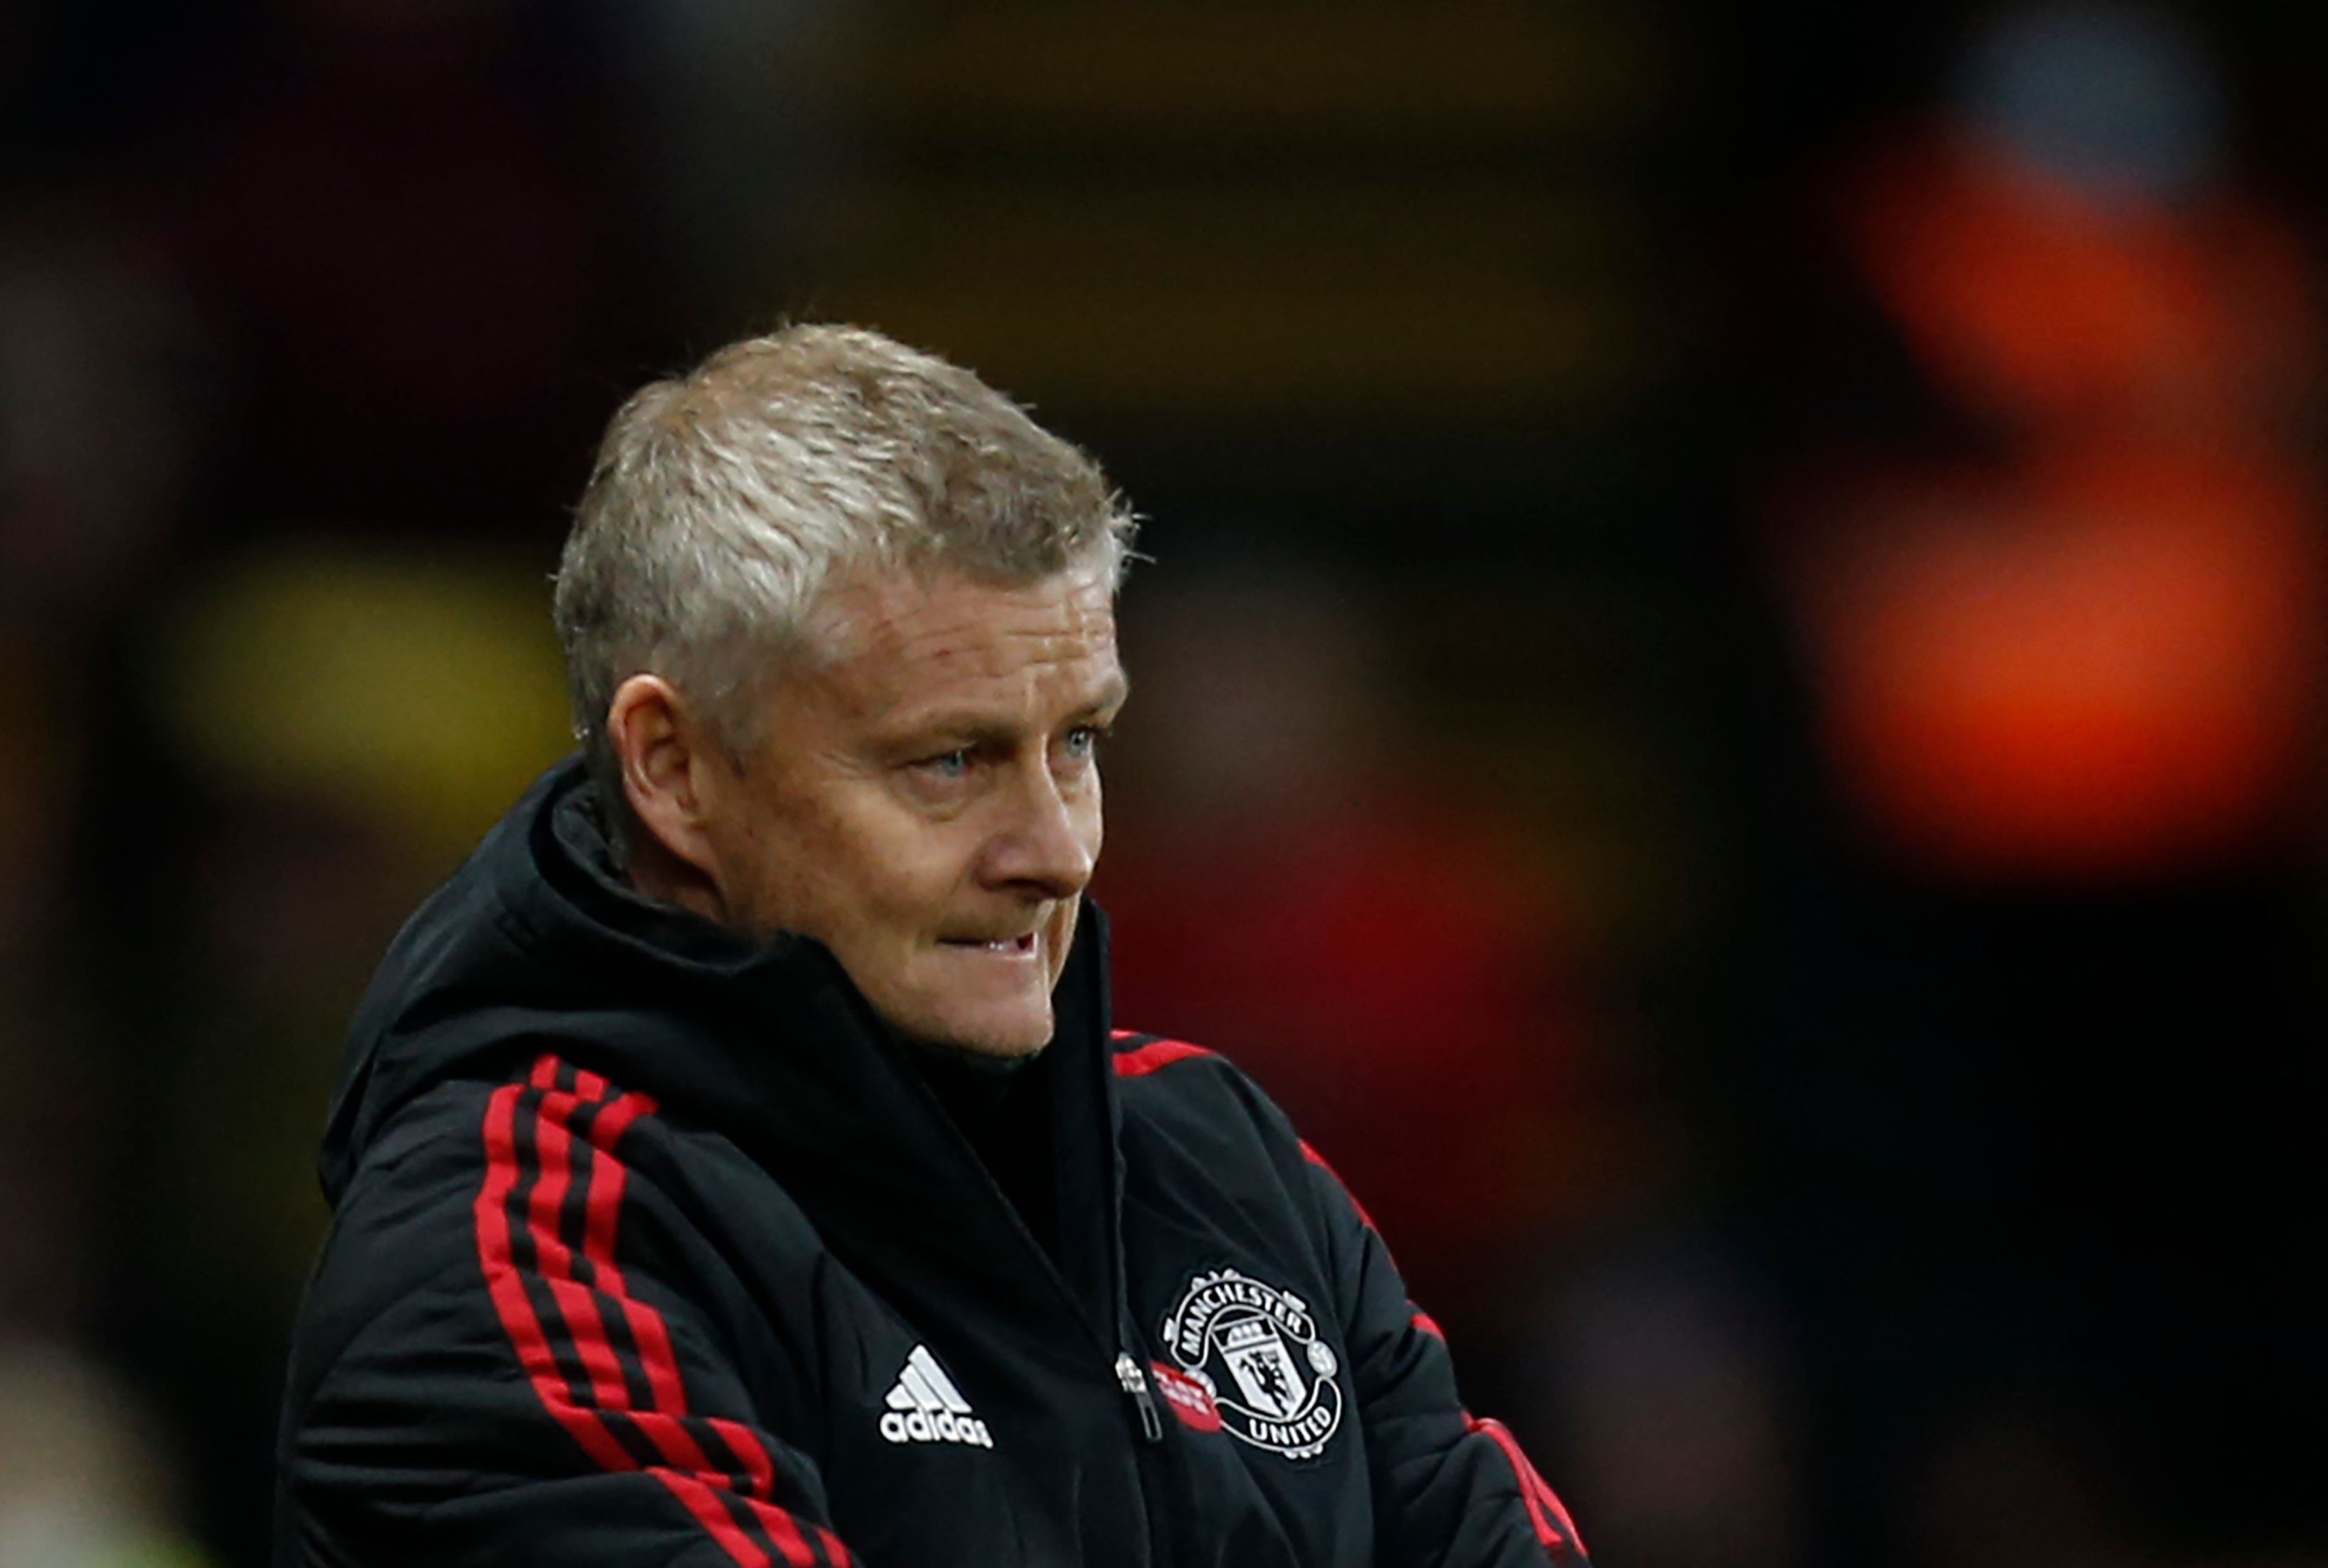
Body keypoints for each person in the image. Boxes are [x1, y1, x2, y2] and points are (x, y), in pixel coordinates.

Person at [271, 325, 1589, 1566]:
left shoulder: (1214, 1159)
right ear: (673, 769)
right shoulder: (516, 1256)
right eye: (950, 760)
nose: (1056, 847)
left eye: (1077, 741)